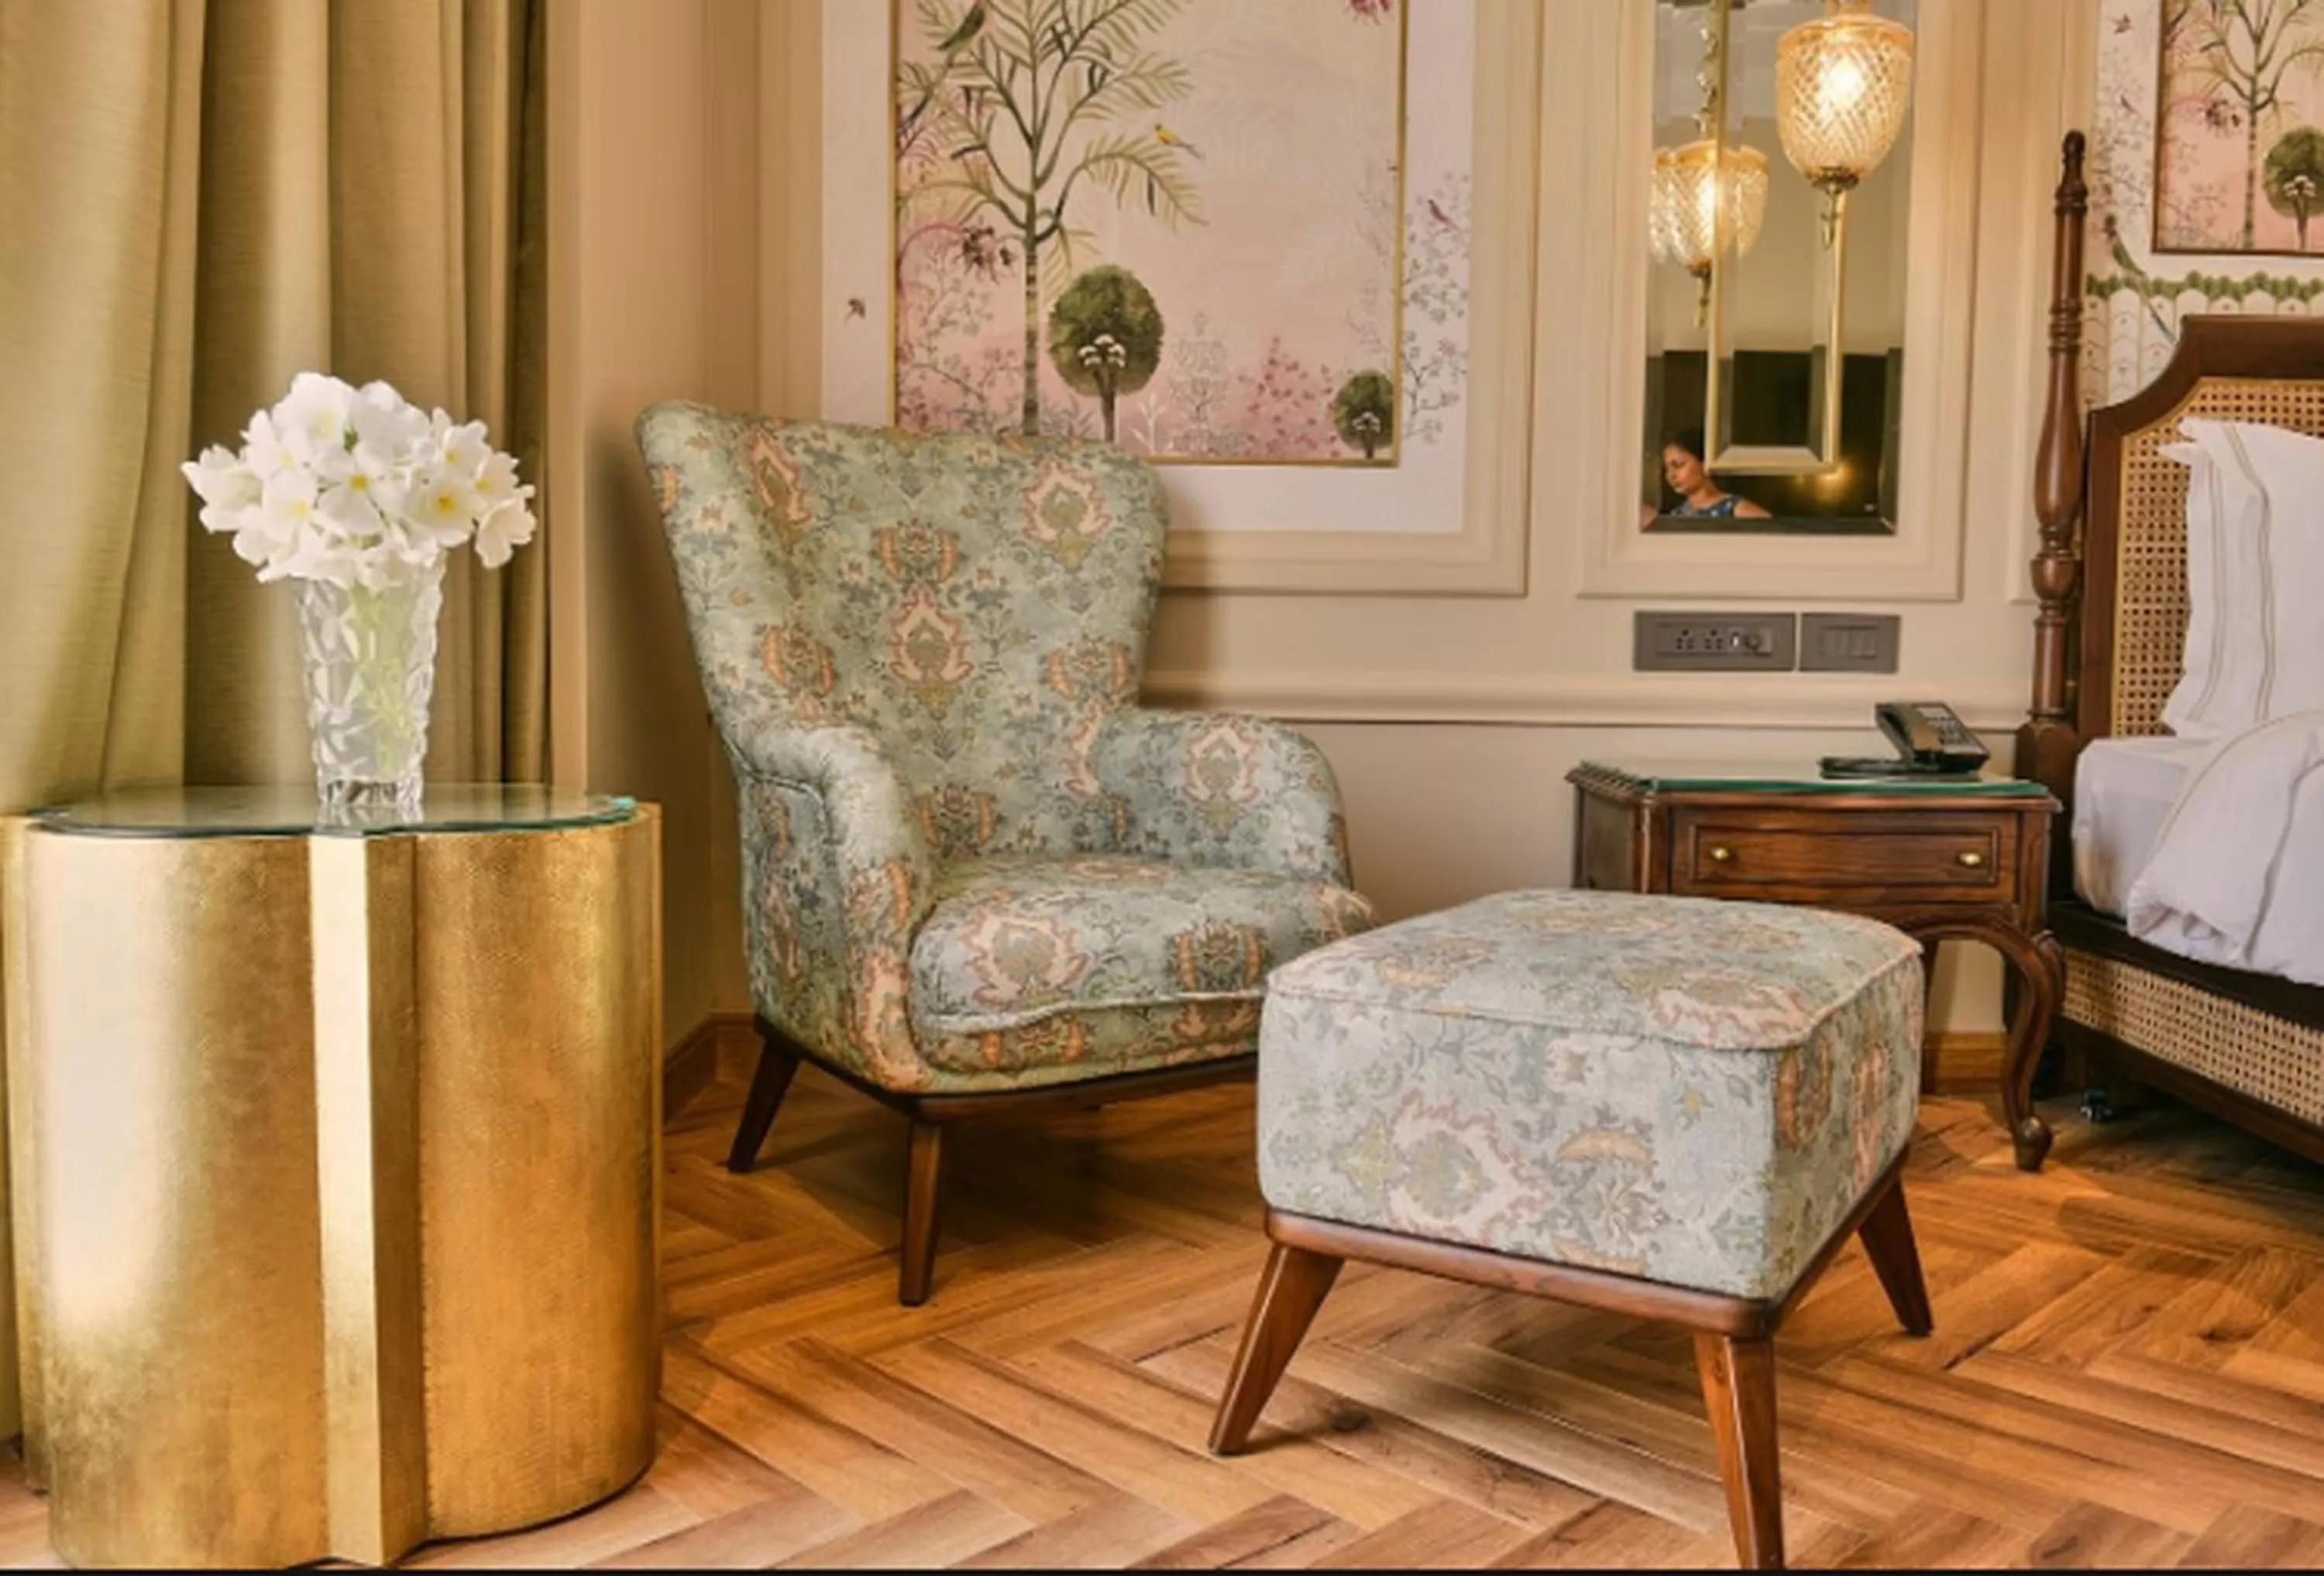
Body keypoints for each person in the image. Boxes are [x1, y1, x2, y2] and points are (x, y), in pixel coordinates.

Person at [1657, 427, 1770, 520]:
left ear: (1704, 463)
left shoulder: (1734, 509)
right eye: (1667, 469)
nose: (1671, 475)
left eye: (1679, 465)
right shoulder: (1675, 517)